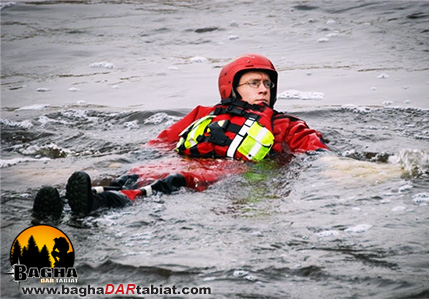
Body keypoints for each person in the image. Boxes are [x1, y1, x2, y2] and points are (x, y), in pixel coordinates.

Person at [32, 54, 329, 220]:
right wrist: (127, 162)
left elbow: (316, 152)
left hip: (224, 172)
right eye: (254, 83)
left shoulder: (284, 125)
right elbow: (159, 145)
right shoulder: (203, 113)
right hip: (174, 161)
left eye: (267, 83)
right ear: (232, 88)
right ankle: (69, 202)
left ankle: (97, 205)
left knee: (170, 183)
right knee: (135, 175)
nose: (264, 89)